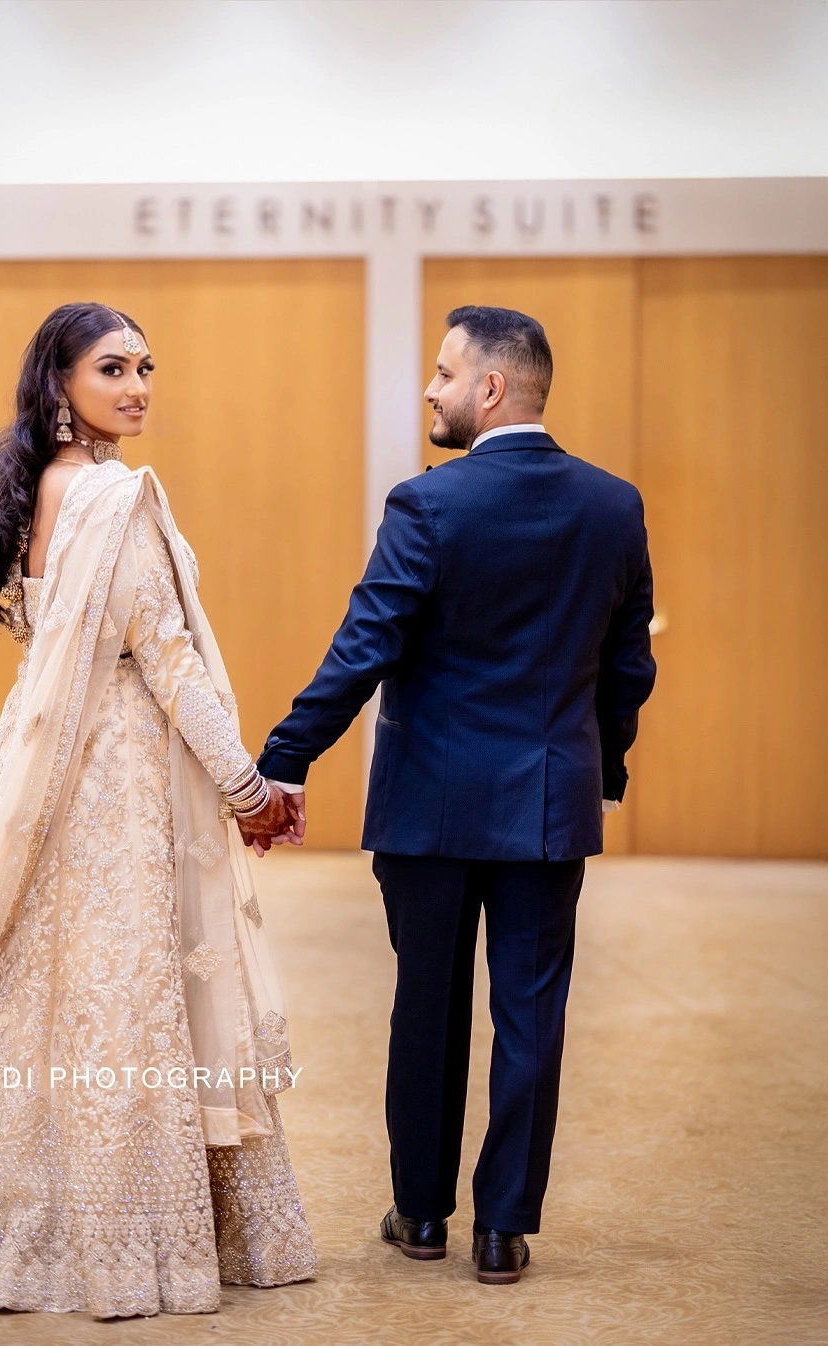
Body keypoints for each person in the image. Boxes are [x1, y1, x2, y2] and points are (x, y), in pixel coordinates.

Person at [0, 302, 316, 1319]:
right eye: (112, 368)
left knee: (52, 990)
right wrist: (248, 787)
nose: (138, 385)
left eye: (147, 366)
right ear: (60, 381)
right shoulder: (114, 495)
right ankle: (120, 1241)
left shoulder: (41, 493)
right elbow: (168, 660)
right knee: (126, 994)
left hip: (46, 759)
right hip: (114, 774)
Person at [256, 306, 656, 1284]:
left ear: (489, 389)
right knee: (530, 1012)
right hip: (547, 806)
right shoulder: (614, 505)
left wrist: (284, 757)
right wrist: (598, 773)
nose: (429, 390)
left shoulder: (428, 506)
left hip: (429, 807)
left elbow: (366, 645)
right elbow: (628, 665)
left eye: (442, 373)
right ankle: (504, 1227)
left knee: (426, 1005)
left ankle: (423, 1213)